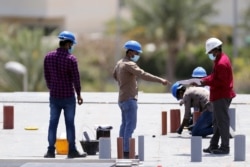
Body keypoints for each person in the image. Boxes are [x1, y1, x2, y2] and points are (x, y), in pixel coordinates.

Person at [113, 40, 171, 158]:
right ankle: (127, 152)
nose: (138, 55)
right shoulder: (129, 64)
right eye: (136, 53)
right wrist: (161, 80)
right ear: (129, 52)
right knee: (130, 126)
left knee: (124, 125)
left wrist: (124, 83)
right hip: (129, 99)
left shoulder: (119, 63)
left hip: (122, 98)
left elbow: (114, 75)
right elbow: (143, 75)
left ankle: (122, 150)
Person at [43, 31, 86, 158]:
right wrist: (78, 94)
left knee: (53, 123)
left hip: (54, 96)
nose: (72, 46)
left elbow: (47, 76)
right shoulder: (71, 59)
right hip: (68, 97)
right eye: (71, 44)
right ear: (67, 44)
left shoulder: (48, 57)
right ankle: (71, 150)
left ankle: (50, 151)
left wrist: (52, 88)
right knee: (70, 124)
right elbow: (76, 79)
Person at [201, 37, 236, 154]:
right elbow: (214, 77)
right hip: (218, 95)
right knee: (217, 122)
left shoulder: (221, 63)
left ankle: (225, 147)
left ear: (215, 50)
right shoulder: (220, 59)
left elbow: (221, 82)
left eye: (210, 52)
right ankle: (213, 145)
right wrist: (203, 80)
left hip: (221, 95)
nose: (210, 55)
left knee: (223, 122)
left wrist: (205, 82)